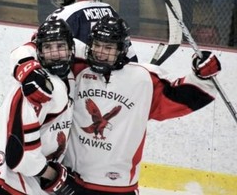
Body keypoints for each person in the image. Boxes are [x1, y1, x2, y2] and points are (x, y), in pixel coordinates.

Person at [61, 16, 222, 194]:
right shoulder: (76, 70)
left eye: (108, 47)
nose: (100, 52)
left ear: (122, 49)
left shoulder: (144, 79)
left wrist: (202, 74)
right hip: (73, 180)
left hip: (119, 185)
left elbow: (183, 96)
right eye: (97, 45)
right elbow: (45, 47)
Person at [0, 19, 76, 194]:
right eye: (48, 48)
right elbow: (18, 154)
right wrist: (50, 173)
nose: (55, 53)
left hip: (30, 179)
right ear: (40, 53)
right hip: (5, 179)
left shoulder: (69, 79)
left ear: (71, 48)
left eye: (60, 46)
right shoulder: (38, 88)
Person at [47, 0, 138, 62]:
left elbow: (44, 51)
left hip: (79, 75)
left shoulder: (64, 14)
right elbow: (130, 56)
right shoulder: (109, 9)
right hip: (109, 75)